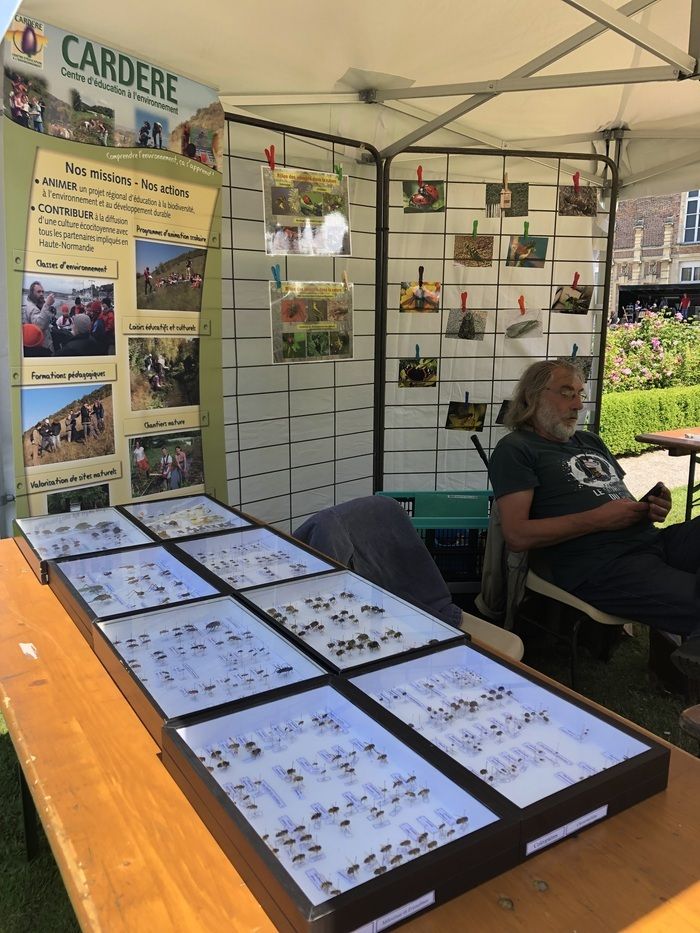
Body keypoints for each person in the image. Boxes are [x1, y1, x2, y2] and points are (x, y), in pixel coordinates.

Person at [489, 359, 700, 678]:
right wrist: (598, 520)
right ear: (533, 397)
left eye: (580, 394)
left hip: (650, 543)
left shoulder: (590, 441)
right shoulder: (516, 449)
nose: (578, 405)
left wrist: (653, 508)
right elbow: (517, 535)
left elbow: (612, 496)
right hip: (598, 565)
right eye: (566, 393)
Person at [22, 281, 55, 351]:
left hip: (42, 344)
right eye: (39, 292)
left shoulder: (37, 305)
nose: (42, 294)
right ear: (32, 293)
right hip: (39, 347)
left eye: (43, 292)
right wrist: (47, 304)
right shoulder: (31, 308)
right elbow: (39, 325)